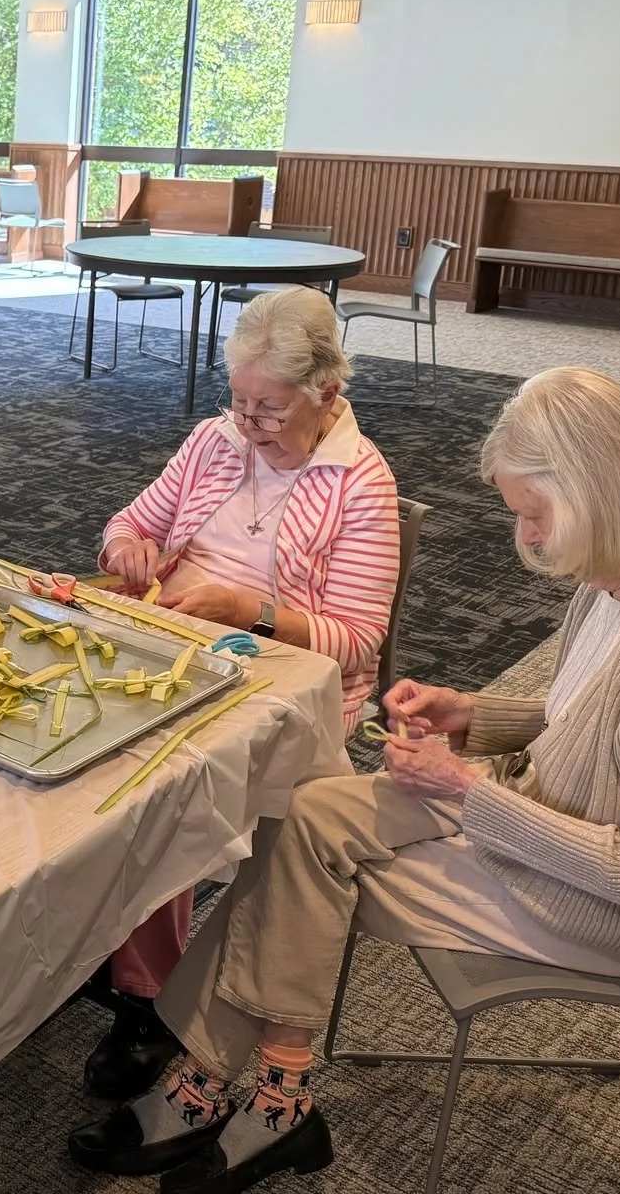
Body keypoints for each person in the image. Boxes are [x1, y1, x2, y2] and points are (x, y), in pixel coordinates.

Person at [68, 367, 620, 1193]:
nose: (527, 538)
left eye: (533, 513)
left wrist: (463, 792)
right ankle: (257, 1084)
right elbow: (588, 719)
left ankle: (248, 1090)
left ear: (597, 492)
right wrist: (471, 715)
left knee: (299, 868)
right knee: (298, 814)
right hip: (550, 818)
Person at [85, 287, 401, 1102]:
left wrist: (251, 611)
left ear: (327, 390)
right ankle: (114, 952)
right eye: (239, 403)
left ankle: (150, 1000)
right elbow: (133, 522)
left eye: (268, 411)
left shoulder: (358, 483)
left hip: (283, 679)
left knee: (162, 781)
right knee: (86, 746)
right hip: (179, 645)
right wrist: (128, 548)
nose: (248, 426)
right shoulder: (213, 441)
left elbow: (356, 639)